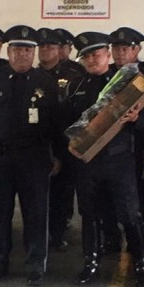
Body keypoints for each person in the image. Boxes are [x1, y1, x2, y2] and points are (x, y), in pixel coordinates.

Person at [0, 25, 60, 286]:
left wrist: (58, 155)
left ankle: (36, 264)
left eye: (27, 50)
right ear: (9, 51)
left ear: (33, 53)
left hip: (34, 159)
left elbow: (57, 123)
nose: (22, 54)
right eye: (17, 49)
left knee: (36, 214)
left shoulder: (46, 82)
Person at [63, 31, 144, 287]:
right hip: (87, 163)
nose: (92, 60)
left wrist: (136, 119)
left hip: (118, 161)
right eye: (87, 56)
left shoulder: (124, 83)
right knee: (90, 214)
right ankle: (91, 262)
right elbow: (63, 121)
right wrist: (69, 144)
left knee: (129, 214)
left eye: (97, 54)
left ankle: (140, 264)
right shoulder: (75, 86)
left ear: (107, 55)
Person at [110, 27, 144, 231]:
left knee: (138, 179)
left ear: (137, 49)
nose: (120, 53)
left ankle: (143, 215)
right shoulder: (108, 73)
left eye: (125, 49)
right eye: (116, 49)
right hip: (112, 141)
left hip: (138, 138)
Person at [38, 27, 84, 253]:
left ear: (59, 50)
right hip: (37, 144)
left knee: (60, 193)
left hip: (64, 143)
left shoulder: (74, 75)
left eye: (50, 46)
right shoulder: (32, 76)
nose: (45, 50)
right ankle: (38, 235)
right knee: (37, 195)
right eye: (42, 46)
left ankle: (56, 235)